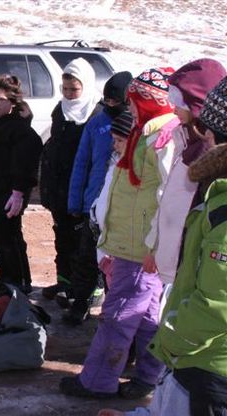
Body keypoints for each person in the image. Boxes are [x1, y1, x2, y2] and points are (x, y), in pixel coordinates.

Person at [98, 75, 227, 416]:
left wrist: (171, 343)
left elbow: (217, 302)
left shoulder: (223, 208)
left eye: (213, 133)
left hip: (210, 366)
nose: (206, 137)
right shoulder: (215, 189)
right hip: (199, 363)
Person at [60, 67, 178, 400]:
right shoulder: (146, 131)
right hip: (137, 243)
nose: (131, 108)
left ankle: (98, 380)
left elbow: (168, 195)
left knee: (119, 314)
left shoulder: (161, 137)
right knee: (146, 316)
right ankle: (148, 377)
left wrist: (156, 244)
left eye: (136, 101)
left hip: (139, 246)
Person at [63, 71, 133, 325]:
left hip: (122, 208)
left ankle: (114, 310)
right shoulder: (96, 123)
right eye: (108, 101)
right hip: (93, 203)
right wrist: (76, 203)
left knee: (115, 264)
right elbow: (81, 163)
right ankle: (80, 302)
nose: (111, 106)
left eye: (116, 101)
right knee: (85, 257)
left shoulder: (134, 127)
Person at [147, 59, 225, 287]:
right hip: (178, 259)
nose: (173, 109)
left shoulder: (206, 152)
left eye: (179, 102)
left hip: (192, 263)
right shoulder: (185, 139)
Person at [40, 57, 102, 302]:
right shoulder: (60, 110)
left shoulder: (95, 114)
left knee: (83, 244)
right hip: (59, 189)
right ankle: (64, 282)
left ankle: (87, 290)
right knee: (63, 238)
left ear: (85, 86)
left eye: (74, 89)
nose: (69, 94)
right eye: (65, 89)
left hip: (82, 190)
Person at [0, 74, 42, 294]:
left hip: (9, 191)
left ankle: (20, 279)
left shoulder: (19, 128)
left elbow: (25, 161)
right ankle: (5, 275)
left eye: (2, 99)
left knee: (11, 236)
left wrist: (19, 191)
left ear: (12, 102)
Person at [91, 111, 134, 289]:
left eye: (119, 140)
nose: (114, 145)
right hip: (107, 237)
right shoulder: (115, 162)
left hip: (124, 243)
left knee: (123, 290)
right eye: (113, 139)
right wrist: (96, 210)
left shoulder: (136, 169)